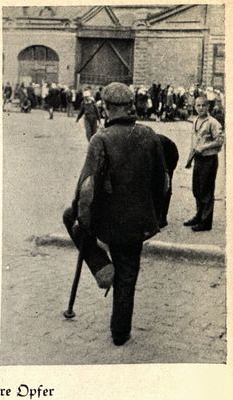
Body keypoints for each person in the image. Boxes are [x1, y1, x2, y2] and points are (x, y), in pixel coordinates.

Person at [63, 82, 167, 346]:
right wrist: (154, 216)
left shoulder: (100, 139)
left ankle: (100, 265)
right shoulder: (150, 135)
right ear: (131, 106)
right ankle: (120, 334)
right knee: (128, 274)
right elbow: (163, 182)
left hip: (107, 222)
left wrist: (84, 222)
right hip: (139, 222)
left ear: (106, 108)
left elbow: (86, 188)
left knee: (70, 219)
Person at [184, 96, 224, 231]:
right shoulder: (195, 120)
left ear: (208, 107)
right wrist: (190, 159)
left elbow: (219, 141)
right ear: (194, 106)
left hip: (209, 159)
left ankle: (206, 222)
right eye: (198, 105)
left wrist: (205, 147)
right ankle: (199, 215)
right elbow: (194, 142)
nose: (200, 108)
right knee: (197, 189)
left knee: (206, 190)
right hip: (198, 159)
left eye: (203, 105)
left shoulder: (213, 122)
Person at [156, 134, 179, 228]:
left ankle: (162, 218)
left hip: (169, 154)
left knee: (165, 185)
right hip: (159, 154)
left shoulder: (151, 144)